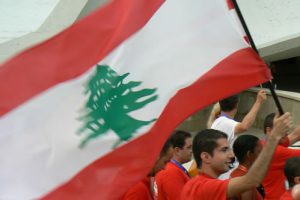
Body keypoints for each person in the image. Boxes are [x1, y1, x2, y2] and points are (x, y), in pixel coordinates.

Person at [181, 112, 292, 200]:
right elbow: (252, 180)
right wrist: (274, 137)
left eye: (229, 148)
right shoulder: (205, 187)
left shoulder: (194, 184)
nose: (231, 155)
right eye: (224, 150)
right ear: (206, 157)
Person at [210, 90, 266, 179]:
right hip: (225, 177)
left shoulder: (219, 121)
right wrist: (258, 102)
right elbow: (244, 126)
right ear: (237, 104)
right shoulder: (224, 122)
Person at [262, 113, 300, 200]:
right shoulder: (278, 151)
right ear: (269, 130)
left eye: (286, 129)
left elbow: (295, 135)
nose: (286, 133)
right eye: (282, 130)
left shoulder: (263, 144)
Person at [155, 130, 192, 200]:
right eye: (189, 147)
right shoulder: (171, 172)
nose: (191, 151)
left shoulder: (174, 169)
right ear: (177, 150)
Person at [230, 135, 264, 200]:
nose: (263, 155)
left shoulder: (234, 173)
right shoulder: (246, 181)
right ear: (250, 154)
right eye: (260, 152)